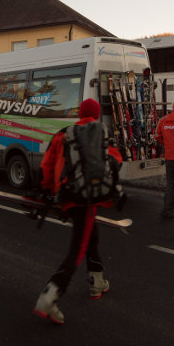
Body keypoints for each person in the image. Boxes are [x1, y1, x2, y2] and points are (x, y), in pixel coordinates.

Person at [32, 98, 123, 325]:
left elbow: (46, 167)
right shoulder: (99, 134)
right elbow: (116, 160)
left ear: (80, 113)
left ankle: (97, 280)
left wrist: (48, 193)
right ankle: (49, 297)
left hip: (67, 196)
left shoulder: (64, 135)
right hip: (86, 200)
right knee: (78, 248)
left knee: (90, 236)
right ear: (96, 114)